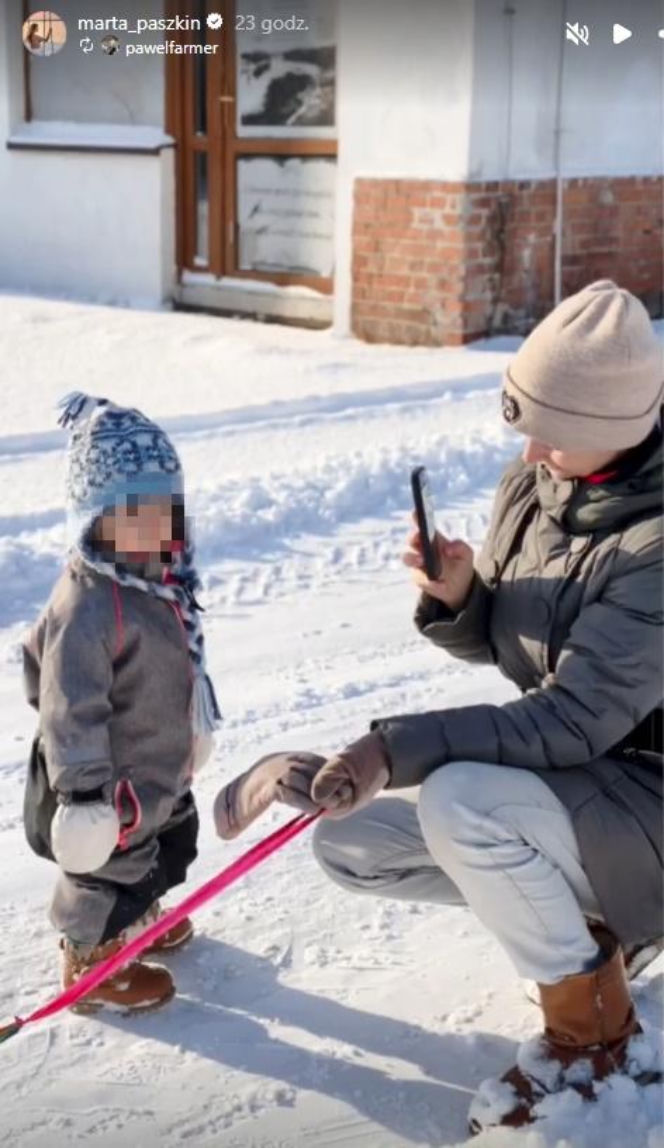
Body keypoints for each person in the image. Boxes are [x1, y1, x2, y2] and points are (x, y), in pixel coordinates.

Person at [214, 280, 663, 1130]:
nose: (530, 451)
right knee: (348, 840)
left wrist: (393, 748)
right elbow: (522, 658)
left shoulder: (656, 550)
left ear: (608, 433)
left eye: (552, 434)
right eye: (524, 424)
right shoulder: (534, 490)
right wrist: (465, 598)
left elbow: (568, 719)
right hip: (583, 781)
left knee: (460, 801)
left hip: (647, 790)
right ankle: (604, 921)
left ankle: (595, 1041)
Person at [23, 393, 221, 1015]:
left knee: (158, 843)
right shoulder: (86, 605)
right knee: (106, 866)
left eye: (167, 511)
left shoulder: (157, 582)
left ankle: (138, 922)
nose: (156, 529)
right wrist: (84, 796)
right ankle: (91, 961)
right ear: (95, 521)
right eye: (134, 514)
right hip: (109, 782)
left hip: (156, 764)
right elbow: (65, 705)